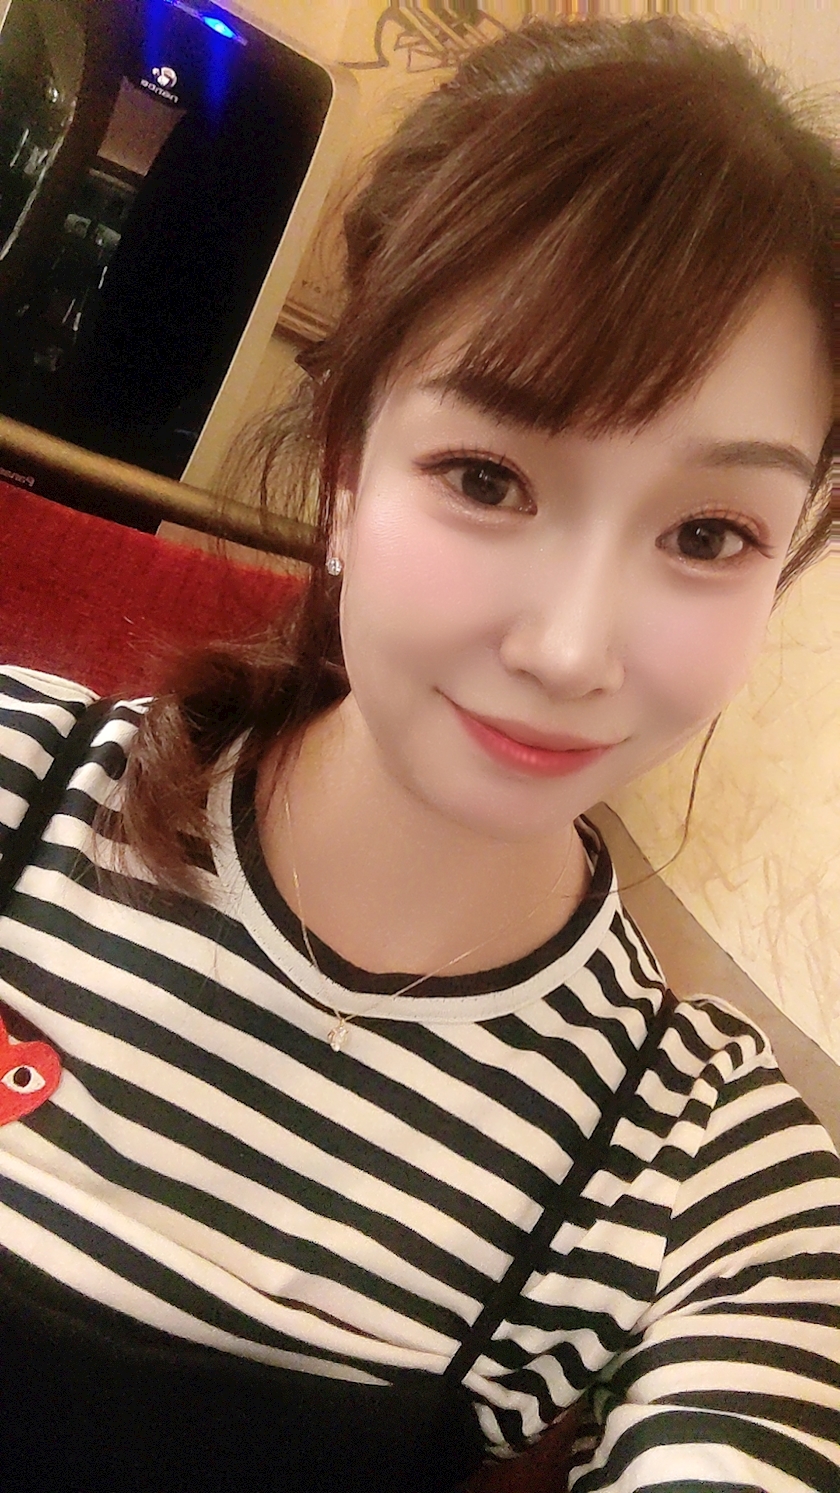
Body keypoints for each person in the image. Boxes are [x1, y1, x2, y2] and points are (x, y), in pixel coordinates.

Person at [0, 15, 837, 1493]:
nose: (572, 650)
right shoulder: (19, 784)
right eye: (487, 477)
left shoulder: (698, 1164)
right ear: (344, 466)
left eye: (709, 533)